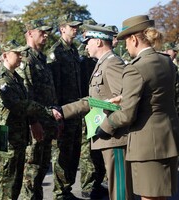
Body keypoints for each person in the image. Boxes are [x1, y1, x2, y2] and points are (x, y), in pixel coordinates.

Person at [96, 15, 179, 200]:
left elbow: (127, 115)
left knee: (149, 197)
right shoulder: (166, 62)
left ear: (134, 39)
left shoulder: (135, 68)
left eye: (125, 41)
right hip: (168, 137)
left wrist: (105, 127)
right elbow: (155, 94)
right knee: (162, 195)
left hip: (147, 143)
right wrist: (125, 98)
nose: (125, 47)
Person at [56, 24, 133, 200]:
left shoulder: (112, 63)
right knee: (117, 188)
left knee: (120, 189)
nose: (86, 46)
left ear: (98, 42)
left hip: (115, 137)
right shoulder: (103, 64)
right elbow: (96, 101)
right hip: (109, 137)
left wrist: (107, 126)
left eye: (88, 42)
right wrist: (63, 110)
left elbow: (124, 101)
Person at [0, 40, 58, 200]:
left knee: (16, 183)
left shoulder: (15, 78)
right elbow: (19, 105)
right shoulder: (3, 80)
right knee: (5, 185)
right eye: (17, 53)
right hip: (4, 135)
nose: (21, 56)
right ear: (5, 55)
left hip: (18, 136)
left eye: (21, 53)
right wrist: (46, 111)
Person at [16, 19, 58, 200]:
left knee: (41, 170)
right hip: (35, 125)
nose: (46, 35)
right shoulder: (25, 58)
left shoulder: (41, 57)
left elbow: (48, 92)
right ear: (30, 33)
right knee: (31, 173)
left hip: (46, 122)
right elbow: (26, 95)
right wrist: (33, 122)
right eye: (42, 32)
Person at [46, 14, 83, 200]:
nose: (75, 29)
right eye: (72, 26)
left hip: (77, 109)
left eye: (76, 26)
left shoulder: (74, 50)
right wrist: (57, 113)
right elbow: (54, 86)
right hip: (64, 110)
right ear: (62, 29)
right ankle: (59, 193)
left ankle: (67, 189)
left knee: (74, 152)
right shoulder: (56, 52)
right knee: (62, 153)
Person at [78, 19, 107, 199]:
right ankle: (88, 186)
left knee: (97, 149)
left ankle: (96, 183)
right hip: (86, 107)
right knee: (88, 150)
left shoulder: (96, 57)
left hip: (97, 107)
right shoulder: (83, 56)